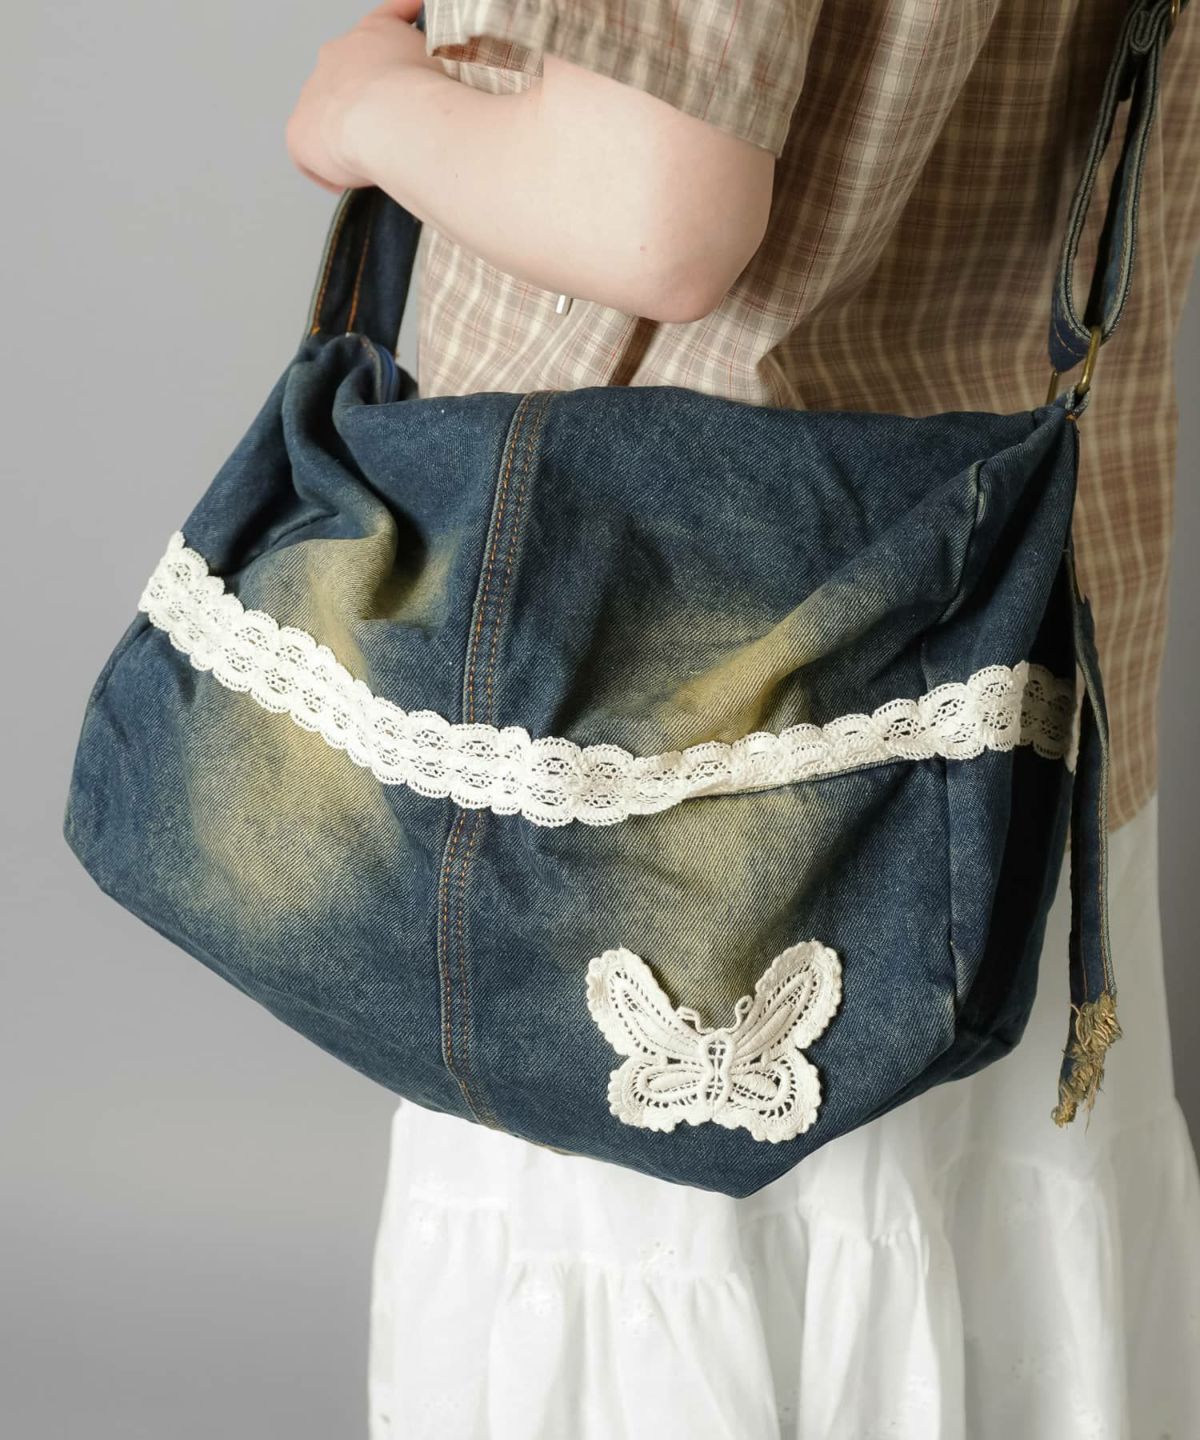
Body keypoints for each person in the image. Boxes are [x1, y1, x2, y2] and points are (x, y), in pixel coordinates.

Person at [285, 2, 1200, 1435]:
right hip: (1009, 657)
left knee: (662, 1299)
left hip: (650, 715)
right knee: (970, 1274)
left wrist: (363, 105)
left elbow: (650, 214)